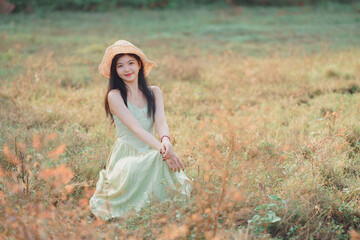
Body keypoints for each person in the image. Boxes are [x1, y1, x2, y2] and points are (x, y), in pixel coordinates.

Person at [89, 40, 192, 220]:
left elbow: (161, 122)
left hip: (151, 148)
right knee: (159, 157)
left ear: (139, 64)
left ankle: (161, 205)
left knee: (159, 157)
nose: (127, 69)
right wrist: (164, 151)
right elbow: (136, 129)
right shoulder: (114, 95)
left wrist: (166, 142)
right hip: (126, 156)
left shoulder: (154, 92)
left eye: (131, 63)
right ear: (115, 71)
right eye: (120, 66)